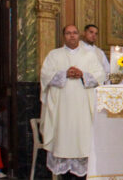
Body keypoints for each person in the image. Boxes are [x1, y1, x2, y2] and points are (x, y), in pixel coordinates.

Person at [40, 25, 106, 179]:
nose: (72, 36)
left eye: (74, 33)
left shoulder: (89, 56)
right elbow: (45, 76)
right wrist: (64, 74)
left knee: (83, 142)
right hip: (61, 109)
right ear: (64, 36)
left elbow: (100, 76)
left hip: (83, 108)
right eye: (68, 33)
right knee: (62, 140)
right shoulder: (54, 55)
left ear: (79, 35)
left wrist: (83, 75)